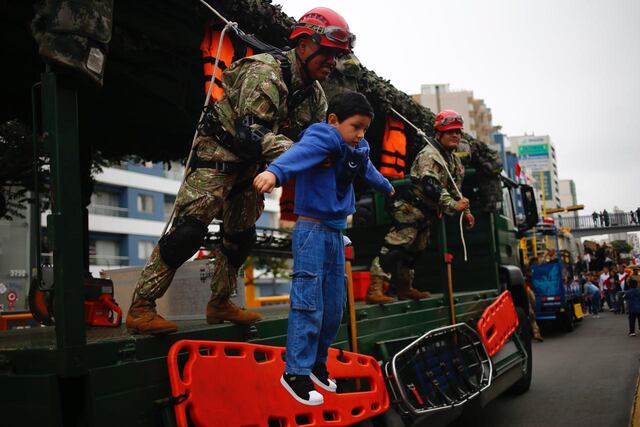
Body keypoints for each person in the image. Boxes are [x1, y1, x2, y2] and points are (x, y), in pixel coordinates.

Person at [126, 7, 355, 334]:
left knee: (241, 236)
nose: (333, 62)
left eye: (338, 56)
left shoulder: (314, 96)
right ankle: (141, 307)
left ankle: (220, 303)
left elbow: (314, 140)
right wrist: (308, 156)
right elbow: (252, 135)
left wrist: (338, 155)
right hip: (217, 157)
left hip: (252, 167)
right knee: (188, 233)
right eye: (330, 53)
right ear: (304, 45)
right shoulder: (265, 74)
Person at [253, 91, 394, 405]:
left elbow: (367, 169)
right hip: (311, 231)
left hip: (335, 232)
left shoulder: (358, 147)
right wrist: (273, 172)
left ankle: (317, 364)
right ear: (334, 121)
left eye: (364, 129)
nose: (360, 135)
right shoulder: (324, 137)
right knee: (308, 302)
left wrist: (386, 185)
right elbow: (298, 155)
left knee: (333, 306)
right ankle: (295, 373)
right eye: (355, 127)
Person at [365, 110, 475, 304]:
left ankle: (405, 288)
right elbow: (430, 185)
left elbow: (456, 189)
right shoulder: (430, 156)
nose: (456, 135)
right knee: (394, 249)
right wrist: (452, 205)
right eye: (450, 131)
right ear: (439, 133)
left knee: (413, 252)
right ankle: (375, 288)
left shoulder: (454, 161)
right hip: (411, 210)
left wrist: (466, 212)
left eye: (458, 131)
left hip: (427, 214)